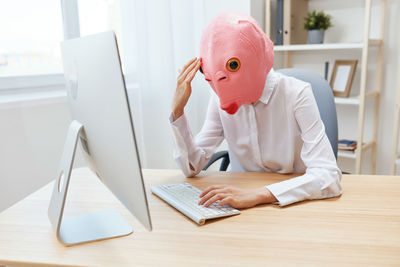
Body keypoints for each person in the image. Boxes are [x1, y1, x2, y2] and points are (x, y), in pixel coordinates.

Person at [170, 12, 342, 209]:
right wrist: (178, 111)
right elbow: (191, 166)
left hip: (289, 203)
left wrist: (259, 195)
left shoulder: (297, 94)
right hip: (236, 201)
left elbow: (329, 176)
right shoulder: (218, 99)